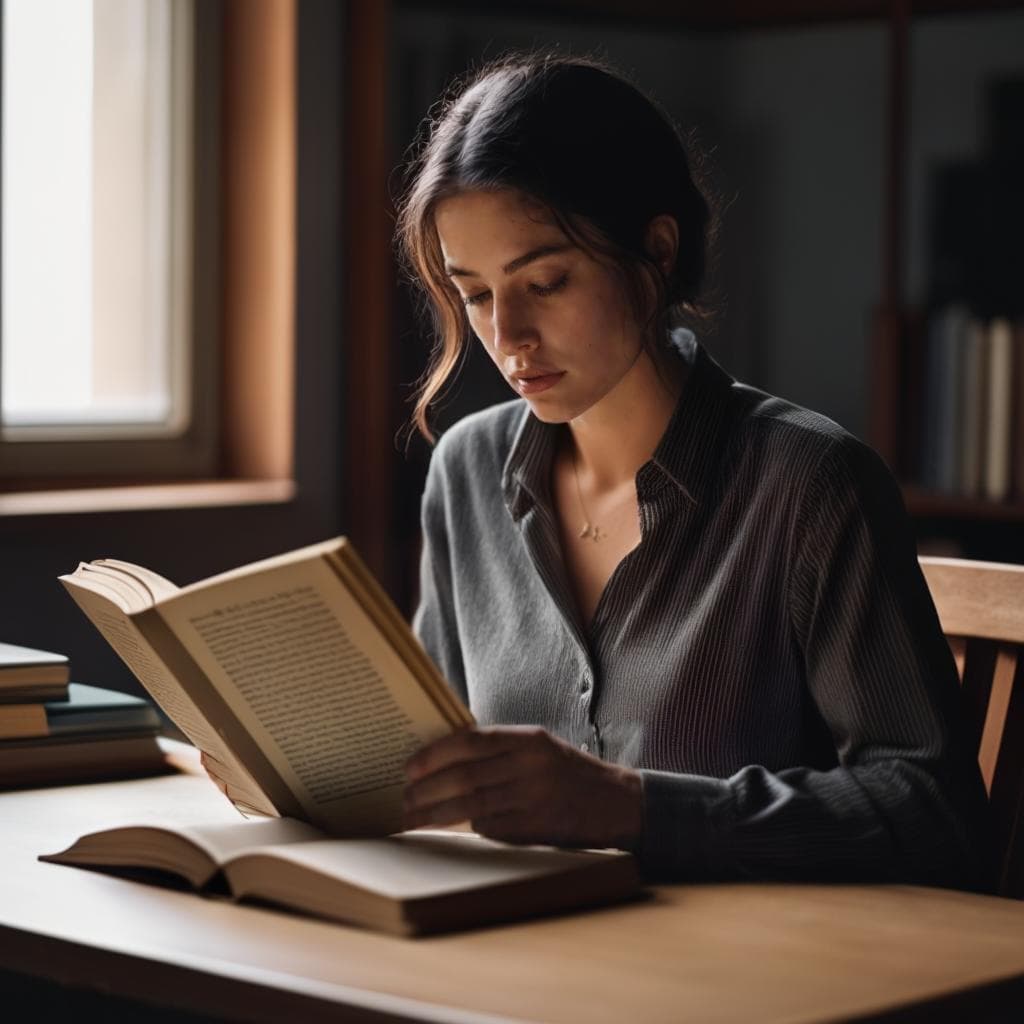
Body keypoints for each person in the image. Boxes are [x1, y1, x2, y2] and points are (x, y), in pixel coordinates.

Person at [394, 52, 993, 888]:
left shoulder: (812, 485)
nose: (509, 335)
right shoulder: (467, 470)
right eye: (475, 294)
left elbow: (932, 813)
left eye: (547, 281)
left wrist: (633, 807)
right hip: (518, 966)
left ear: (658, 250)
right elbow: (437, 755)